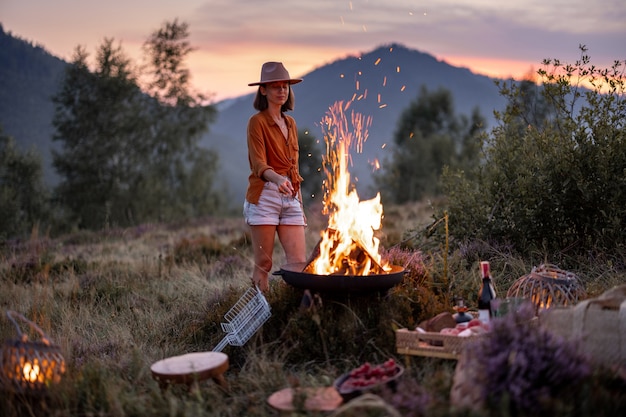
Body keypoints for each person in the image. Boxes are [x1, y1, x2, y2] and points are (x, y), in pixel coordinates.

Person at [244, 62, 307, 293]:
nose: (282, 91)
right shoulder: (257, 122)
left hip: (291, 196)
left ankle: (296, 316)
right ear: (263, 90)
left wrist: (295, 190)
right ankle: (260, 313)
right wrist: (278, 180)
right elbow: (259, 164)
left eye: (285, 86)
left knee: (299, 264)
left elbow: (294, 166)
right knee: (264, 264)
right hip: (265, 196)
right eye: (275, 87)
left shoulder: (291, 123)